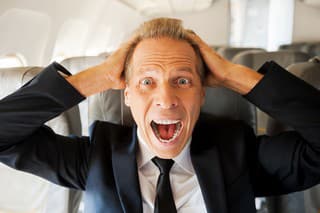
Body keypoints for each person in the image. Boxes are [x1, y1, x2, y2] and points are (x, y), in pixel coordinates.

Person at [0, 18, 320, 213]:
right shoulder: (97, 155)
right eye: (146, 82)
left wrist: (233, 75)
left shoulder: (237, 151)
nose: (166, 99)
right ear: (126, 94)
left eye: (183, 81)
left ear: (203, 92)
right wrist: (94, 78)